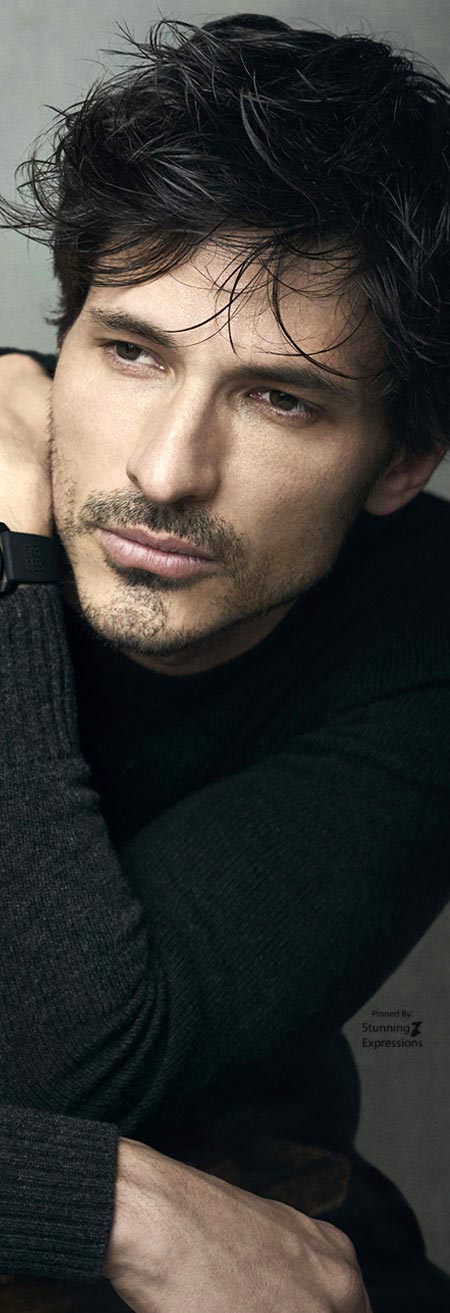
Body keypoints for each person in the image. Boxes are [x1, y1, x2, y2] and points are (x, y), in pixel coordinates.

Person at [0, 11, 449, 1310]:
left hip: (267, 1233)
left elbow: (58, 1058)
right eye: (131, 353)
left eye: (279, 398)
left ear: (402, 460)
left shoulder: (425, 630)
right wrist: (103, 1204)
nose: (163, 472)